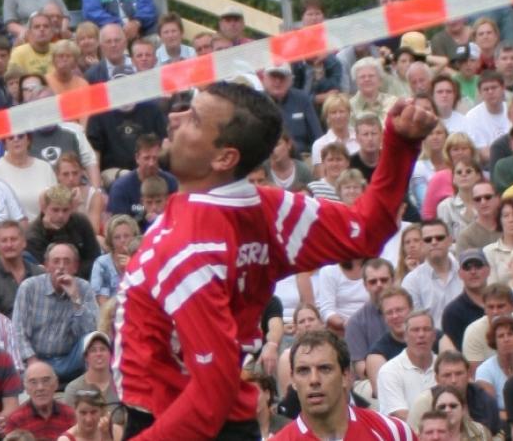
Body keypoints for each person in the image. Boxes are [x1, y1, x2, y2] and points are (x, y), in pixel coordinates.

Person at [115, 82, 434, 439]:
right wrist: (401, 145)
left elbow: (210, 395)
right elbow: (366, 230)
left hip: (179, 423)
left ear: (224, 158)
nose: (174, 118)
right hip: (216, 420)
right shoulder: (267, 209)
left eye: (193, 119)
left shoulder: (191, 247)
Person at [271, 331, 413, 440]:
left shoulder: (393, 432)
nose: (314, 380)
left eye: (325, 369)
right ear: (293, 380)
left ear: (346, 376)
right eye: (303, 371)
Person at [12, 242, 97, 382]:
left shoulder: (84, 288)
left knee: (93, 339)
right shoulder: (29, 287)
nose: (61, 267)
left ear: (75, 267)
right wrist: (33, 361)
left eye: (67, 262)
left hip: (70, 360)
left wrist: (75, 298)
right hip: (36, 359)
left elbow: (90, 333)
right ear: (46, 266)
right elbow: (18, 331)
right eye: (56, 261)